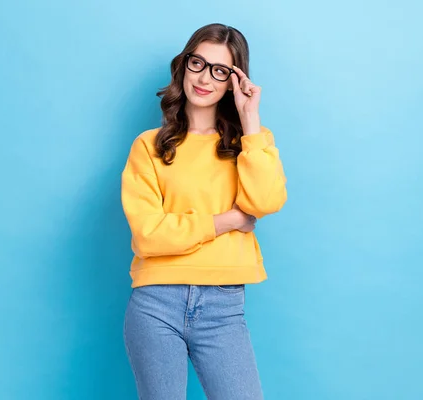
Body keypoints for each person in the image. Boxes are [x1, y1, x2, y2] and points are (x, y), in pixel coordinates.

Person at [120, 23, 287, 400]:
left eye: (220, 70)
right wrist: (229, 220)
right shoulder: (148, 147)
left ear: (233, 81)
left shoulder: (252, 143)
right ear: (183, 66)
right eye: (198, 63)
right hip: (155, 303)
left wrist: (249, 120)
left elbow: (265, 202)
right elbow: (149, 235)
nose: (205, 78)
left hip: (224, 306)